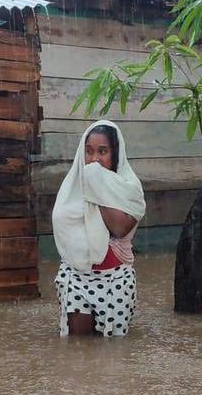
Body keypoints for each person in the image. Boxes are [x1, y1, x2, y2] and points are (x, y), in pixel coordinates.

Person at [51, 120, 146, 337]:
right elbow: (63, 225)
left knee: (114, 356)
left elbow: (119, 228)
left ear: (116, 153)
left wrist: (97, 186)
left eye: (102, 151)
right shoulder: (72, 186)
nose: (94, 159)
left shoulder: (129, 187)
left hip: (116, 280)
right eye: (89, 152)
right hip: (76, 277)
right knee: (79, 351)